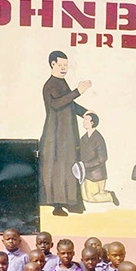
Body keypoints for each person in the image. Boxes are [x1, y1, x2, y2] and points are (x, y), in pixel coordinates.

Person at [39, 50, 92, 216]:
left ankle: (71, 202)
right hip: (55, 135)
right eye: (60, 65)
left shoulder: (62, 82)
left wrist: (85, 113)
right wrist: (77, 92)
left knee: (70, 165)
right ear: (52, 64)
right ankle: (57, 206)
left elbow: (69, 104)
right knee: (57, 169)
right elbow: (56, 104)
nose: (63, 68)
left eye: (66, 65)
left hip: (66, 133)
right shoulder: (50, 84)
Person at [79, 112, 119, 206]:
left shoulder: (98, 138)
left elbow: (102, 158)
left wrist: (86, 165)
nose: (83, 122)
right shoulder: (83, 138)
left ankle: (110, 196)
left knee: (91, 197)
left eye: (86, 120)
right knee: (84, 197)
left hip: (96, 174)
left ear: (92, 123)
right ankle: (105, 194)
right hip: (85, 173)